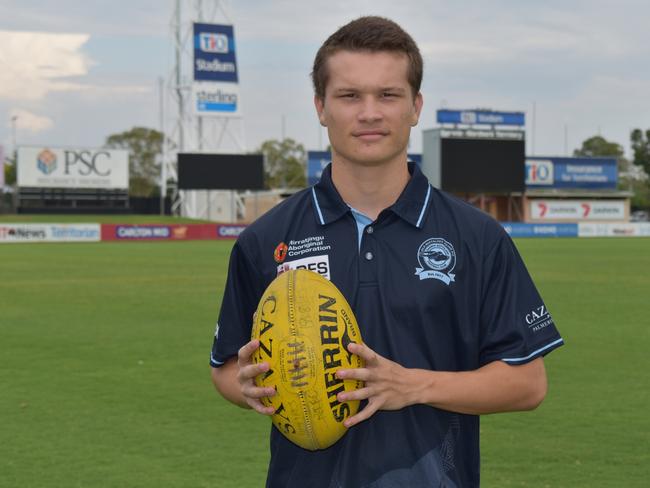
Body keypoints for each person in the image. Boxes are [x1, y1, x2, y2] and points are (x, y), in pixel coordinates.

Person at [210, 16, 563, 487]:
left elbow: (527, 383)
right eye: (350, 96)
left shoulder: (476, 237)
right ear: (321, 107)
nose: (370, 113)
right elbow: (226, 368)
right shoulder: (266, 238)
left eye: (388, 95)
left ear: (415, 107)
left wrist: (413, 385)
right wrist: (249, 386)